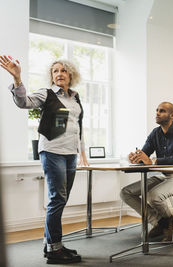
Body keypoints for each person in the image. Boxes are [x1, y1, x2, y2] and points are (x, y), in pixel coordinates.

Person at [0, 55, 88, 264]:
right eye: (55, 71)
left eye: (63, 70)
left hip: (70, 153)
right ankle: (55, 250)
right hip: (52, 151)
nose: (59, 74)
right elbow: (23, 102)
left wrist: (82, 153)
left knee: (61, 199)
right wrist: (17, 79)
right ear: (51, 76)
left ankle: (51, 244)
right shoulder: (46, 94)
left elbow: (77, 128)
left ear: (71, 75)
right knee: (57, 198)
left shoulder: (75, 98)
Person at [120, 102, 173, 242]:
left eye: (162, 111)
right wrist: (136, 158)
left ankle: (165, 224)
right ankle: (162, 223)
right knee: (126, 193)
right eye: (157, 110)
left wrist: (153, 161)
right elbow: (145, 155)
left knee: (154, 195)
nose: (157, 113)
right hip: (164, 176)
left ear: (172, 115)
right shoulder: (155, 133)